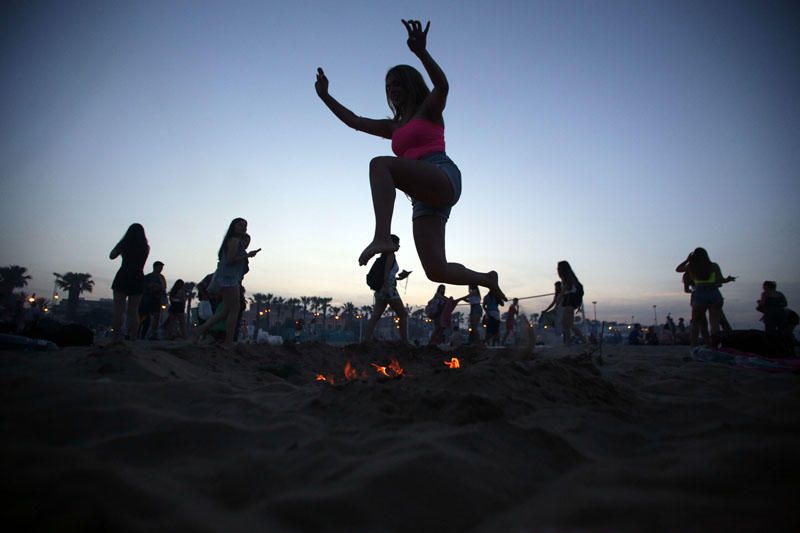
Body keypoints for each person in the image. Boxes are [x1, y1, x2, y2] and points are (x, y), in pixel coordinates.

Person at [315, 19, 506, 304]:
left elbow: (442, 86)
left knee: (380, 164)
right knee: (435, 270)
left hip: (441, 174)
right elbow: (354, 121)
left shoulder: (428, 110)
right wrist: (325, 97)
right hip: (422, 198)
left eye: (397, 83)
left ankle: (382, 236)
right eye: (388, 85)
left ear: (409, 85)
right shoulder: (393, 127)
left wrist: (421, 53)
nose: (392, 89)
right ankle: (486, 279)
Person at [194, 218, 260, 348]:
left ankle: (200, 330)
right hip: (229, 279)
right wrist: (247, 256)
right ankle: (228, 342)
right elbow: (230, 260)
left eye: (245, 225)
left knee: (225, 311)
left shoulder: (234, 241)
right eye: (240, 225)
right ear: (233, 227)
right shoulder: (234, 241)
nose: (243, 227)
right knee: (233, 310)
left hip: (228, 279)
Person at [675, 247, 735, 345]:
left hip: (700, 294)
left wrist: (687, 260)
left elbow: (678, 269)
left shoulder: (691, 266)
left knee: (696, 323)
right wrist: (728, 279)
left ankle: (694, 346)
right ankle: (715, 345)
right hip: (714, 293)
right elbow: (720, 280)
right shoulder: (714, 266)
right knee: (715, 323)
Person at [364, 235, 410, 344]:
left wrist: (400, 277)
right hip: (388, 289)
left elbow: (389, 274)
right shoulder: (391, 255)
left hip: (381, 289)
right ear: (391, 244)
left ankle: (365, 340)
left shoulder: (384, 256)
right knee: (403, 315)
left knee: (375, 316)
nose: (399, 246)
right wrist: (386, 288)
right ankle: (405, 341)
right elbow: (386, 274)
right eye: (397, 243)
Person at [109, 223, 149, 343]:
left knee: (119, 310)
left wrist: (119, 245)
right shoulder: (145, 247)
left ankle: (115, 338)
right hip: (137, 277)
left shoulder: (124, 244)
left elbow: (111, 256)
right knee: (133, 310)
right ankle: (133, 339)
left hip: (123, 275)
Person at [557, 261, 586, 345]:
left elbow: (565, 291)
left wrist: (558, 301)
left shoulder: (567, 279)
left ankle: (575, 342)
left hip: (570, 301)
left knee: (567, 324)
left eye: (559, 268)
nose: (557, 270)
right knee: (568, 325)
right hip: (570, 301)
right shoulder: (570, 278)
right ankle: (572, 343)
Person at [139, 261, 166, 339]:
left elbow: (164, 288)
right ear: (155, 267)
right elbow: (144, 287)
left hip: (157, 299)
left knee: (156, 317)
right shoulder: (148, 277)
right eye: (160, 267)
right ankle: (138, 332)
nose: (161, 269)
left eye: (162, 268)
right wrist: (152, 287)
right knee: (144, 317)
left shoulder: (162, 277)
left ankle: (153, 334)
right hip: (147, 299)